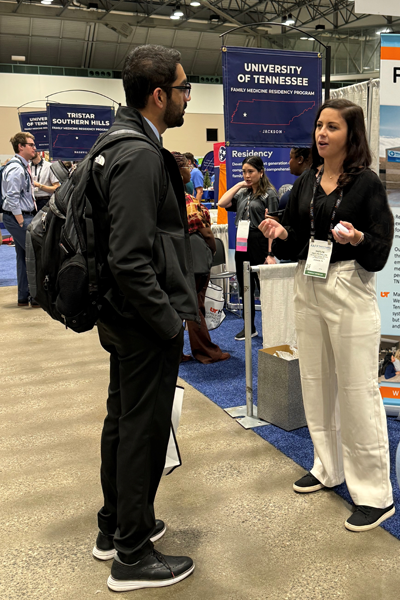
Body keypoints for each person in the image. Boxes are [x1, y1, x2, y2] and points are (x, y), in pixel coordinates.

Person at [89, 45, 198, 591]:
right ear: (159, 95)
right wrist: (167, 321)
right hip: (140, 320)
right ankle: (131, 556)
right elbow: (128, 256)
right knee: (142, 430)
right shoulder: (139, 155)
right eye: (182, 89)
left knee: (123, 421)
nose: (185, 98)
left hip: (123, 315)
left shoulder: (118, 143)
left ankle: (115, 528)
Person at [259, 98, 395, 532]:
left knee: (356, 389)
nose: (321, 134)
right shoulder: (308, 180)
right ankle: (327, 466)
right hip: (308, 282)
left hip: (349, 287)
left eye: (332, 127)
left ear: (350, 136)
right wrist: (280, 234)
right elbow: (298, 238)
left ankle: (375, 494)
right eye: (319, 126)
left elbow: (381, 249)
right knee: (315, 382)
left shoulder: (367, 184)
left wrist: (356, 239)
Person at [172, 151, 230, 364]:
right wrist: (213, 249)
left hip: (173, 259)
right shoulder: (185, 199)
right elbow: (206, 232)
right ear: (178, 171)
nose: (190, 169)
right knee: (195, 307)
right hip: (193, 259)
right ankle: (205, 351)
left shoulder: (161, 195)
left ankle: (174, 352)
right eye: (186, 167)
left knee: (176, 307)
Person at [218, 156, 278, 340]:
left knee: (265, 289)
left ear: (261, 172)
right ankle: (249, 327)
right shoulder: (243, 193)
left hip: (260, 242)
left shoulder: (269, 194)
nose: (247, 175)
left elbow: (273, 225)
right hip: (242, 243)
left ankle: (273, 329)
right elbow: (222, 203)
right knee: (246, 287)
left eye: (251, 171)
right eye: (244, 171)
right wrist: (238, 185)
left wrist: (270, 253)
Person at [1, 132, 38, 307]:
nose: (34, 147)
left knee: (23, 256)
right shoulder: (16, 168)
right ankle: (36, 295)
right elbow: (12, 197)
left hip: (20, 216)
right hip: (19, 217)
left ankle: (24, 296)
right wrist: (21, 221)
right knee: (36, 254)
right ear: (20, 147)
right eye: (31, 144)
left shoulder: (22, 166)